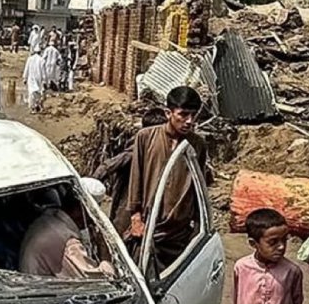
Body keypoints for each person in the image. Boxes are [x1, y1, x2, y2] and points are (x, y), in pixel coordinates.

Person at [127, 86, 208, 270]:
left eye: (193, 115)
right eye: (183, 114)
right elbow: (136, 178)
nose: (189, 121)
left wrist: (198, 226)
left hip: (179, 234)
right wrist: (136, 219)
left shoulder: (197, 145)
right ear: (168, 113)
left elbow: (199, 188)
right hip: (149, 230)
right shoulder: (146, 137)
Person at [93, 108, 169, 236]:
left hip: (152, 204)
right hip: (128, 202)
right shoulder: (135, 151)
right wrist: (90, 188)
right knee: (119, 235)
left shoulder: (165, 149)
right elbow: (106, 167)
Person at [19, 189, 114, 279]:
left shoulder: (47, 219)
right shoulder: (67, 242)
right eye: (92, 213)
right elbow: (96, 281)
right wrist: (105, 256)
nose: (93, 219)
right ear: (80, 210)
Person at [23, 47, 46, 113]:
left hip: (31, 78)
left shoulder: (30, 59)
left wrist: (25, 77)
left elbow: (26, 68)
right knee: (38, 92)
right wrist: (44, 80)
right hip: (38, 78)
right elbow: (43, 71)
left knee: (31, 92)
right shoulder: (42, 60)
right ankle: (36, 106)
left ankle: (33, 107)